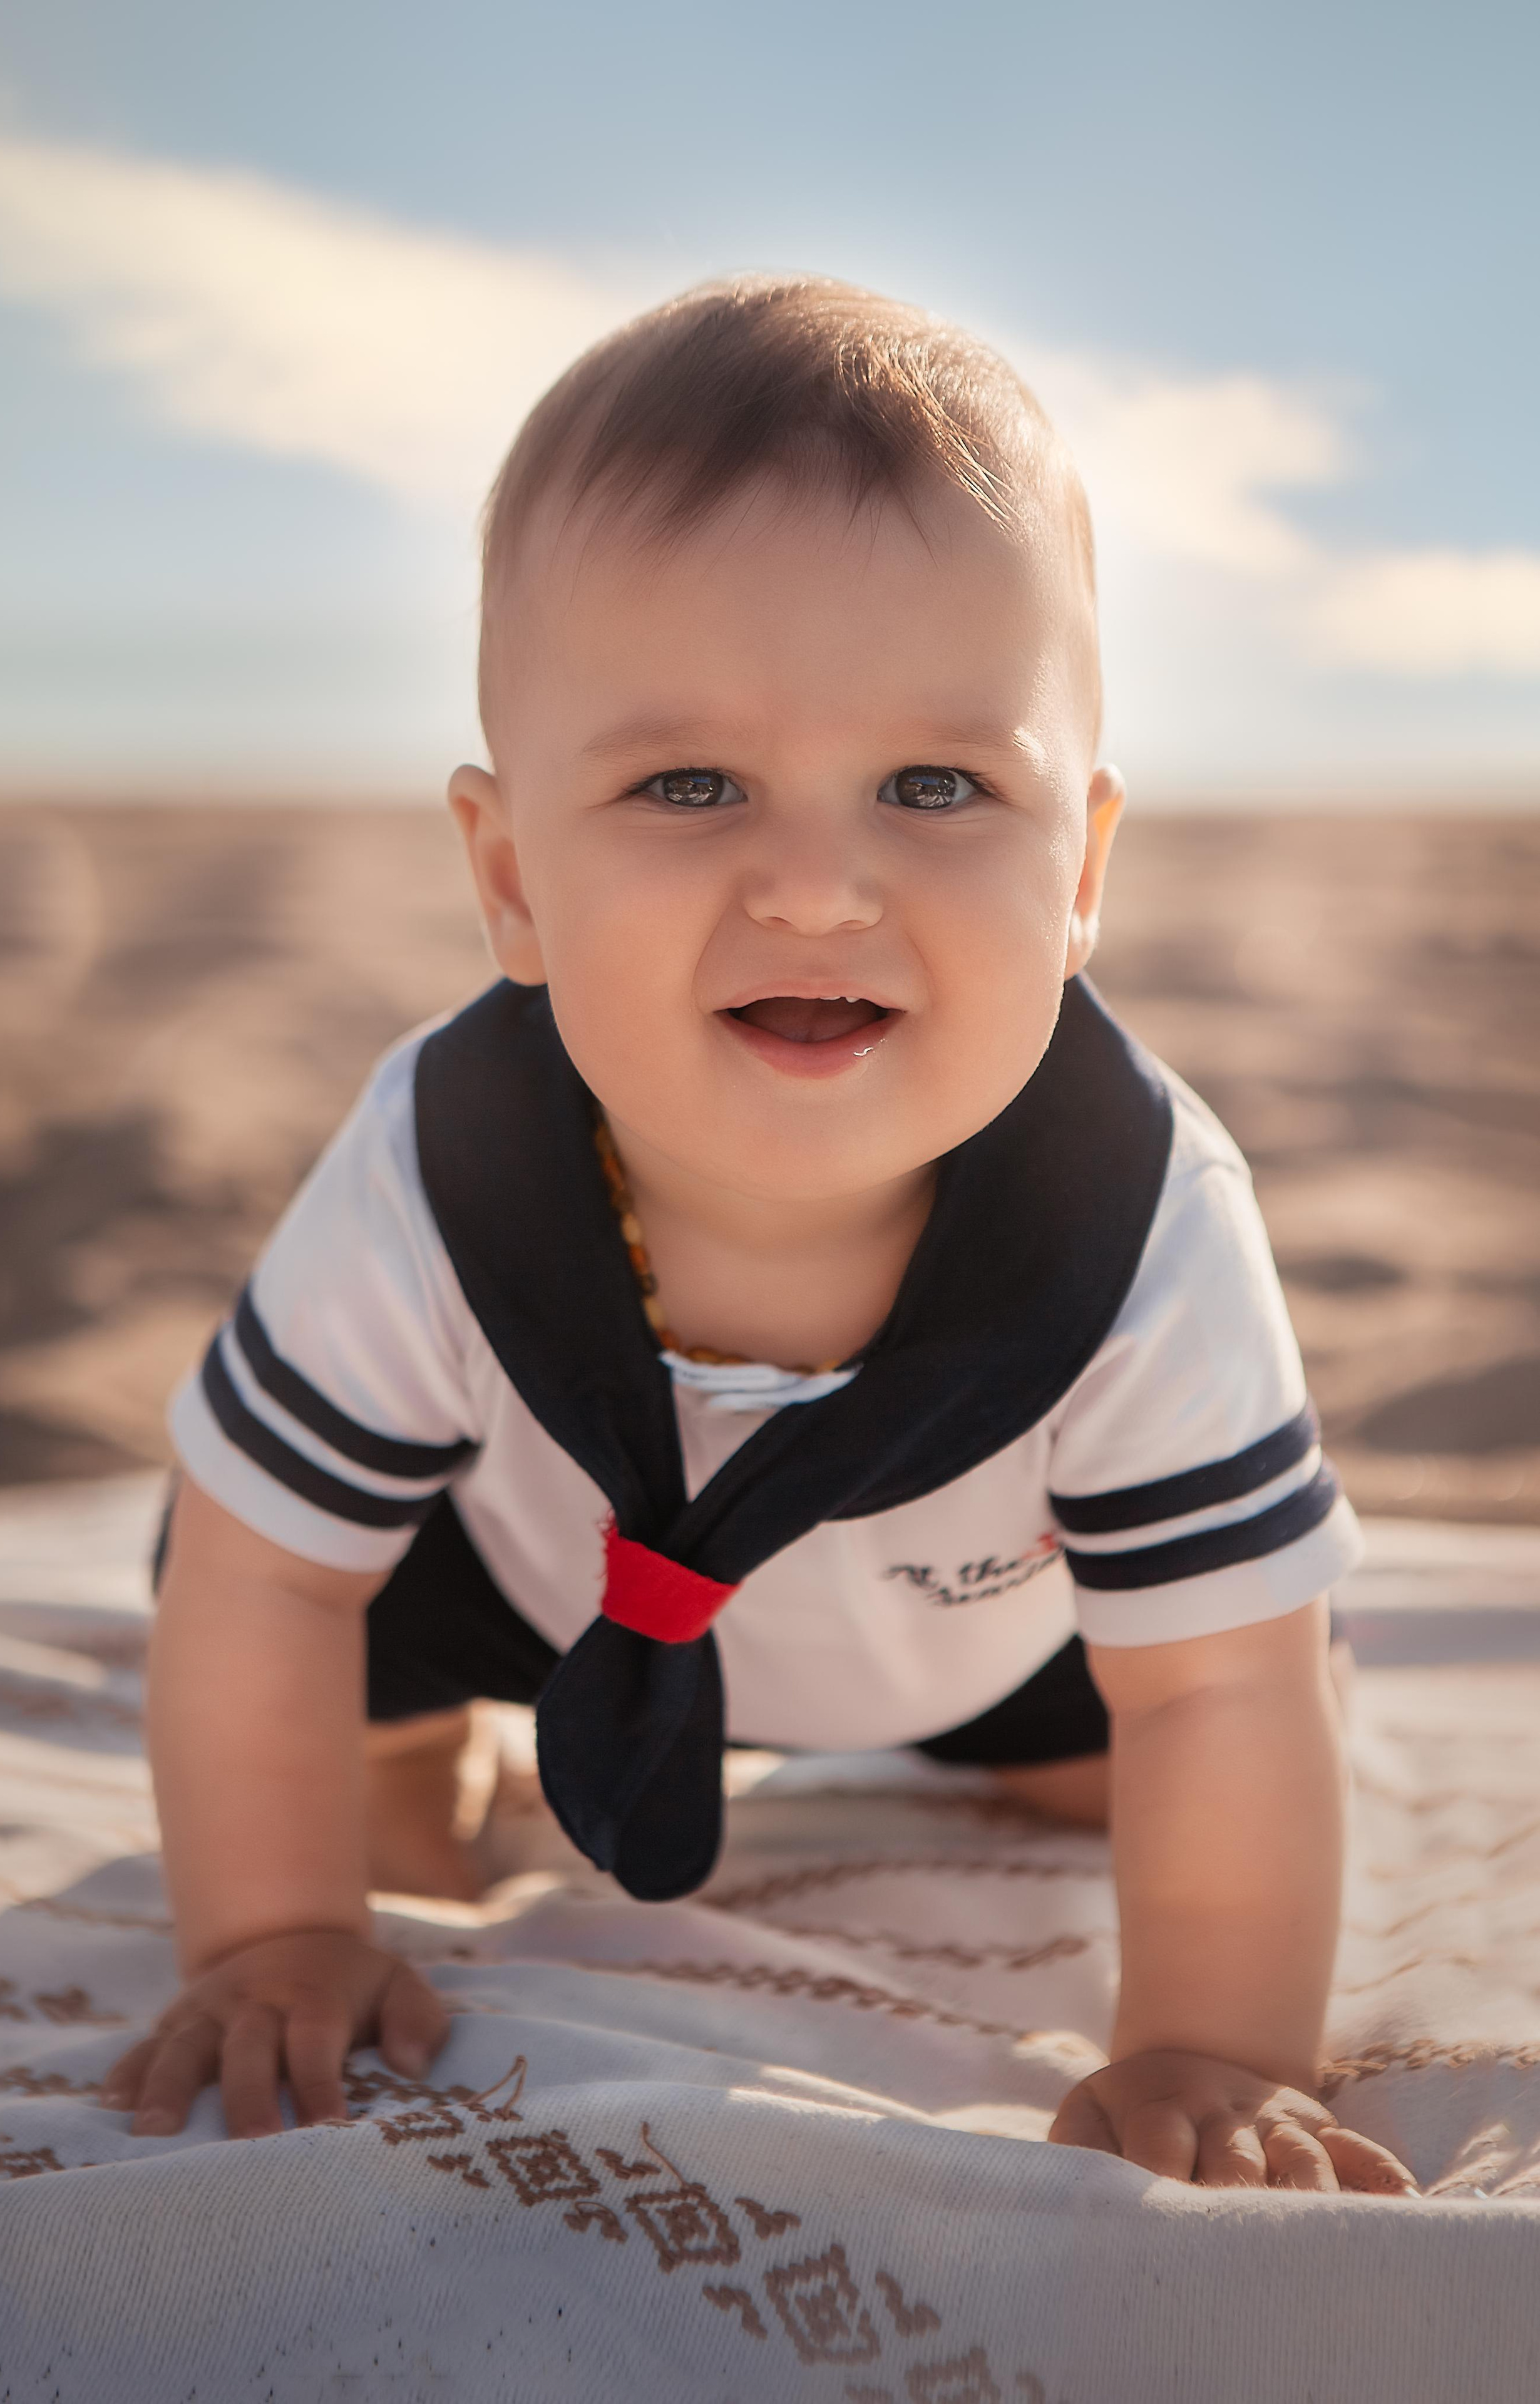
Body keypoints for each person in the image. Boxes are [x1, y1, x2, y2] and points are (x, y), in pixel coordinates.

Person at [103, 277, 1415, 2197]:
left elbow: (1220, 1681)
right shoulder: (438, 1166)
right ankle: (407, 1783)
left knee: (1183, 1720)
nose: (816, 885)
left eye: (938, 784)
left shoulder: (1135, 1226)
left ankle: (1034, 1761)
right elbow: (259, 1576)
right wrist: (270, 1931)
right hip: (531, 1573)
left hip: (985, 1617)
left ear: (1086, 874)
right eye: (688, 785)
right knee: (315, 1600)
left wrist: (1214, 2046)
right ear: (509, 876)